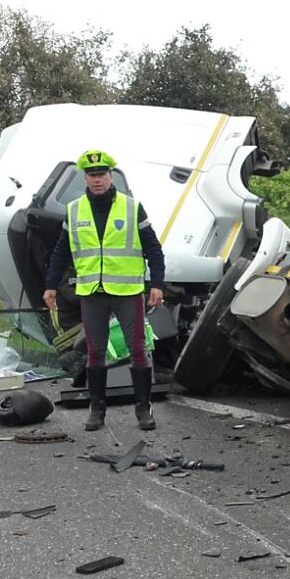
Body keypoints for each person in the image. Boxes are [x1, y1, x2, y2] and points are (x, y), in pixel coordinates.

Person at [42, 149, 166, 432]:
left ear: (111, 176)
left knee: (137, 350)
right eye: (91, 175)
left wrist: (157, 282)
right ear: (85, 178)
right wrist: (50, 285)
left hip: (127, 292)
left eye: (101, 174)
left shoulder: (132, 207)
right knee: (95, 352)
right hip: (92, 293)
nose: (97, 180)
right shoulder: (74, 210)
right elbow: (61, 251)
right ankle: (96, 409)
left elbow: (153, 247)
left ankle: (143, 409)